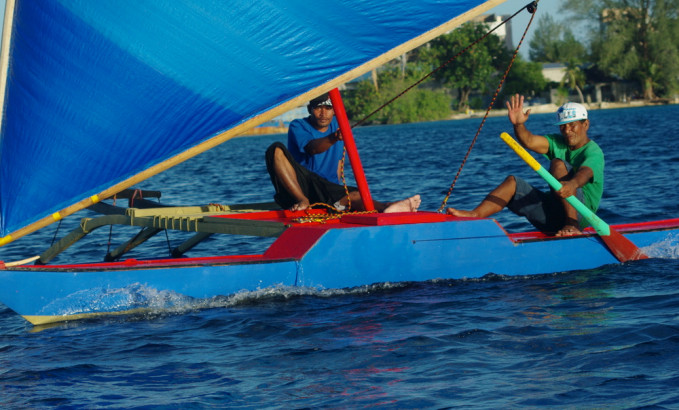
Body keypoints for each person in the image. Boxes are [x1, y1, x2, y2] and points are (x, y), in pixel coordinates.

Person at [447, 94, 604, 236]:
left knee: (557, 163)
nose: (567, 131)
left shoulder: (593, 151)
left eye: (572, 125)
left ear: (586, 125)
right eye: (563, 126)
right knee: (512, 183)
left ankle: (571, 224)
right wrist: (518, 125)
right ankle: (475, 215)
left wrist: (572, 184)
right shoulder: (557, 142)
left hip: (582, 213)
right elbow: (529, 141)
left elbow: (586, 172)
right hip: (553, 214)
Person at [265, 93, 420, 213]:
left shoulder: (339, 126)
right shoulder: (298, 126)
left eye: (328, 108)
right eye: (318, 108)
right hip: (303, 184)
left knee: (355, 195)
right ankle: (302, 200)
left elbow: (339, 165)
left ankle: (387, 207)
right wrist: (334, 138)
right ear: (310, 110)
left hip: (327, 188)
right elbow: (311, 148)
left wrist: (337, 192)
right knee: (275, 149)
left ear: (334, 111)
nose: (323, 113)